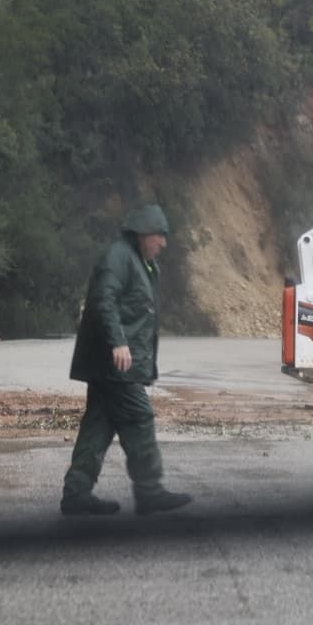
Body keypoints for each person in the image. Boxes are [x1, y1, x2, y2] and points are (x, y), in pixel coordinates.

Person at [60, 204, 192, 516]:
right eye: (160, 236)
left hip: (118, 366)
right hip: (113, 364)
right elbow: (103, 301)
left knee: (98, 426)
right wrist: (118, 343)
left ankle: (76, 494)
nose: (163, 243)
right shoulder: (119, 257)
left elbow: (141, 320)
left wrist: (147, 367)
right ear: (144, 233)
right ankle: (150, 492)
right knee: (140, 418)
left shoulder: (143, 265)